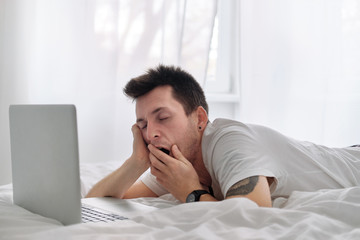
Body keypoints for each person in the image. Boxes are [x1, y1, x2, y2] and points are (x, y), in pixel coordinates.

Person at [86, 65, 360, 207]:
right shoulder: (179, 162)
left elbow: (252, 212)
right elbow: (96, 200)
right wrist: (136, 162)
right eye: (142, 124)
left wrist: (190, 193)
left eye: (163, 117)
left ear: (200, 119)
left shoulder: (229, 139)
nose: (151, 132)